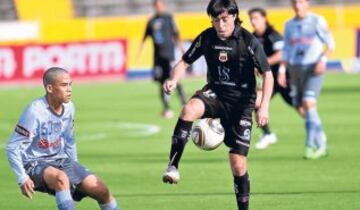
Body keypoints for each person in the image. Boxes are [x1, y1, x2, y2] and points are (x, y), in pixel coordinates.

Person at [161, 1, 273, 209]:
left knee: (237, 163)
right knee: (189, 109)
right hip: (216, 93)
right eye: (215, 20)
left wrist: (263, 106)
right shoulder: (207, 37)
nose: (220, 25)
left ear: (234, 16)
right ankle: (173, 166)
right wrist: (174, 80)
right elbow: (184, 62)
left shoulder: (248, 40)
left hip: (241, 103)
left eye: (225, 19)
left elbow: (267, 73)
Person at [6, 67, 120, 210]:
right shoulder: (34, 111)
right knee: (61, 179)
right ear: (50, 88)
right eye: (64, 85)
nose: (69, 89)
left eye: (70, 84)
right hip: (33, 163)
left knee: (101, 190)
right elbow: (12, 147)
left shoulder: (70, 108)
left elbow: (69, 140)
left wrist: (75, 167)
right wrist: (22, 178)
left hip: (61, 160)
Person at [279, 0, 335, 159]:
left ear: (307, 3)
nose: (298, 5)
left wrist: (323, 60)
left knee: (309, 103)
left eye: (301, 2)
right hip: (294, 69)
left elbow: (331, 44)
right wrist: (282, 70)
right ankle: (321, 138)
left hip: (313, 68)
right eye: (295, 2)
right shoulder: (288, 24)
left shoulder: (317, 20)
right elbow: (287, 50)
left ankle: (310, 146)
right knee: (300, 106)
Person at [248, 7, 294, 150]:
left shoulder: (273, 35)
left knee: (301, 107)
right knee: (256, 102)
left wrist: (263, 62)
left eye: (256, 18)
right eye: (251, 18)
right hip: (269, 81)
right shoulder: (252, 37)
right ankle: (268, 134)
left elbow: (281, 55)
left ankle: (315, 129)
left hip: (284, 79)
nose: (253, 21)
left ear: (264, 18)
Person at [138, 0, 186, 119]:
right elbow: (144, 38)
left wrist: (181, 49)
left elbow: (176, 34)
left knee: (175, 80)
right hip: (158, 58)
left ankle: (184, 103)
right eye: (157, 5)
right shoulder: (151, 21)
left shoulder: (169, 18)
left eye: (160, 5)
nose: (159, 7)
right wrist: (139, 52)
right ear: (154, 6)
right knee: (161, 83)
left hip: (169, 56)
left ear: (163, 6)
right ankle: (166, 108)